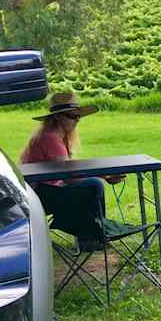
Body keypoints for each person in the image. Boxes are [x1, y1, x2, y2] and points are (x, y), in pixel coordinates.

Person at [21, 93, 122, 249]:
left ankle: (93, 235)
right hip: (40, 195)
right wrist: (103, 177)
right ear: (57, 118)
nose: (76, 120)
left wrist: (104, 175)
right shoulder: (50, 139)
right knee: (93, 186)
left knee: (91, 185)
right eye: (71, 116)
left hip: (46, 190)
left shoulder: (58, 136)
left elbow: (69, 172)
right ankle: (92, 236)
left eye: (78, 117)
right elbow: (70, 177)